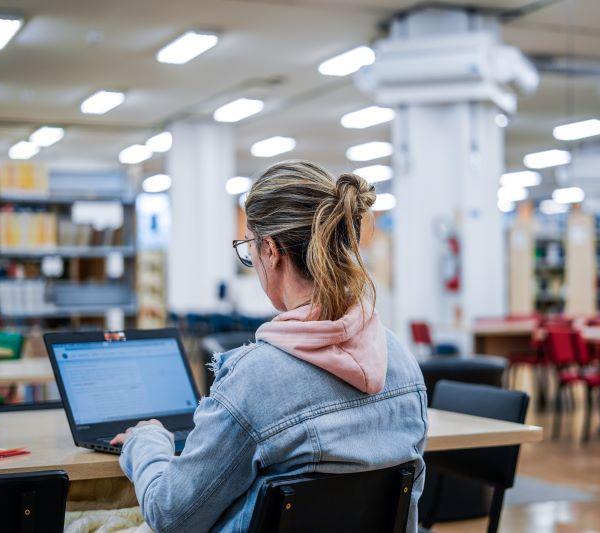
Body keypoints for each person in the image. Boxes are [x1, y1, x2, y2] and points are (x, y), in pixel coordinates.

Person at [112, 160, 428, 532]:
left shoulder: (255, 380)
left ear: (272, 250)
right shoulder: (401, 360)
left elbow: (170, 514)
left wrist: (145, 442)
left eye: (250, 248)